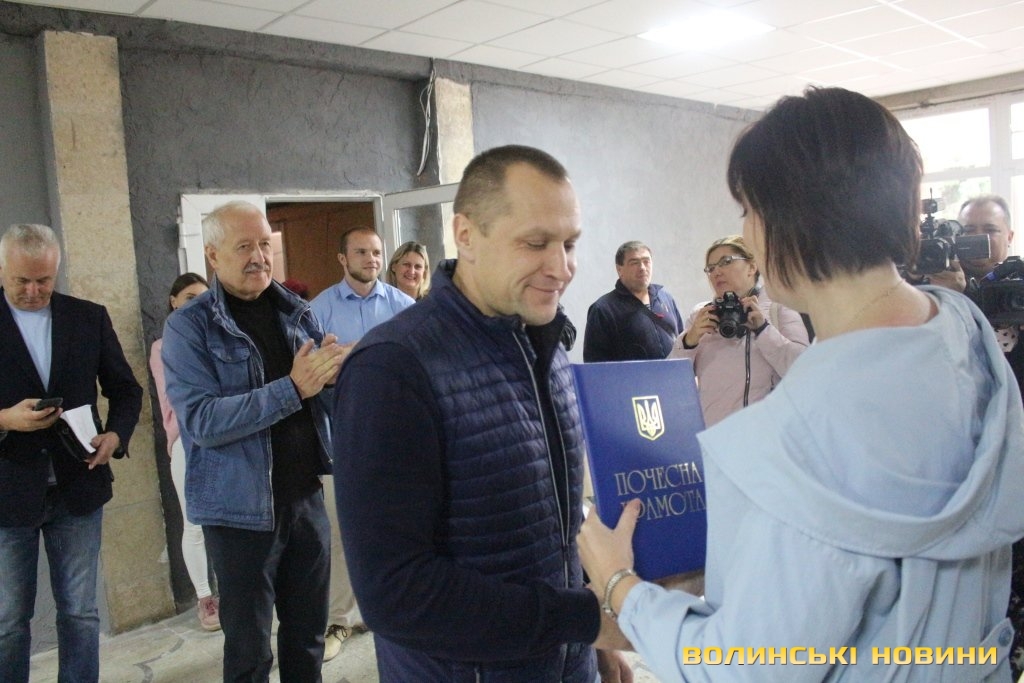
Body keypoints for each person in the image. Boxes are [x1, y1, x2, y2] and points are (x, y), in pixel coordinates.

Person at [578, 87, 1024, 682]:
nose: (748, 234)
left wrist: (619, 584)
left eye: (748, 212)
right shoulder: (966, 331)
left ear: (787, 221)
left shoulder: (795, 434)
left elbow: (746, 667)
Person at [332, 145, 632, 682]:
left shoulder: (546, 347)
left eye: (569, 244)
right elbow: (394, 594)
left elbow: (560, 517)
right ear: (466, 236)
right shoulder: (394, 368)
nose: (562, 267)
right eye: (535, 243)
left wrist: (594, 646)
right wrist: (583, 620)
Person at [161, 200, 347, 682]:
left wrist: (332, 378)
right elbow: (202, 421)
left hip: (305, 498)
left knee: (307, 638)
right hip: (239, 513)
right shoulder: (188, 326)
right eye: (244, 246)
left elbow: (320, 402)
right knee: (249, 651)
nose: (260, 257)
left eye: (265, 244)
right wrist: (294, 388)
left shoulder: (296, 312)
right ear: (212, 255)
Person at [0, 223, 143, 683]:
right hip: (7, 491)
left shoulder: (87, 317)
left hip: (77, 484)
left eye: (44, 280)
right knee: (7, 622)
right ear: (2, 270)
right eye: (22, 280)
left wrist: (115, 435)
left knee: (80, 613)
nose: (33, 290)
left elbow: (126, 389)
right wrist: (5, 419)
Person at [308, 226, 416, 660]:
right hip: (343, 440)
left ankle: (392, 611)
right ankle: (340, 619)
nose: (371, 259)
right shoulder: (318, 310)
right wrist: (363, 359)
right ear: (342, 258)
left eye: (375, 252)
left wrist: (351, 356)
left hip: (399, 441)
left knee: (398, 528)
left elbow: (418, 363)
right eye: (361, 252)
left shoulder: (404, 306)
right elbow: (312, 374)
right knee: (341, 533)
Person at [669, 235, 808, 426]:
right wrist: (689, 341)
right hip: (715, 434)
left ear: (752, 267)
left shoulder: (779, 308)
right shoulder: (700, 315)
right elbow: (671, 382)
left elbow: (804, 370)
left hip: (769, 433)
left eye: (726, 262)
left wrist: (763, 330)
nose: (716, 272)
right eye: (710, 268)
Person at [148, 272, 220, 631]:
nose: (198, 304)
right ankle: (205, 598)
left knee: (227, 521)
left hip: (221, 436)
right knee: (194, 524)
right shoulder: (163, 347)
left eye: (204, 298)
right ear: (173, 301)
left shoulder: (219, 338)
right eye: (190, 297)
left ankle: (235, 592)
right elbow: (180, 394)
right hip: (186, 439)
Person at [583, 240, 683, 362]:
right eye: (634, 263)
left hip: (673, 374)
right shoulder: (603, 310)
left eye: (646, 261)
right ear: (619, 269)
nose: (642, 268)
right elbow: (595, 364)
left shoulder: (666, 298)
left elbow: (682, 342)